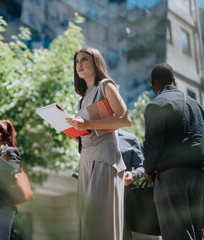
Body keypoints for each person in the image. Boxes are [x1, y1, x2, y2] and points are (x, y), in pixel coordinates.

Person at [66, 47, 131, 240]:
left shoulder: (106, 86)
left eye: (84, 60)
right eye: (77, 61)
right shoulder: (82, 100)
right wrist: (73, 131)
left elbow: (124, 119)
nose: (79, 64)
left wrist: (86, 124)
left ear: (96, 62)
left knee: (100, 221)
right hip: (86, 160)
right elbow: (87, 131)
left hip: (104, 158)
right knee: (87, 223)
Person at [143, 63, 204, 240]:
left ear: (153, 82)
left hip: (172, 175)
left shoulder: (156, 104)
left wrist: (148, 170)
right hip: (200, 174)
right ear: (174, 81)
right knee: (198, 232)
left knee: (177, 232)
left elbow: (153, 144)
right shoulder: (197, 105)